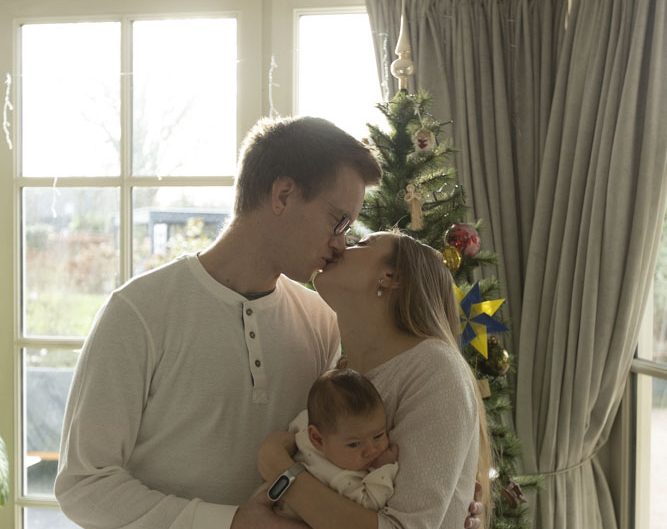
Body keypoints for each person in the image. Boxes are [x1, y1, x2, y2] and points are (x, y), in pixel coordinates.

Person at [54, 115, 483, 529]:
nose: (340, 244)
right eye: (338, 221)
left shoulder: (325, 325)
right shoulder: (138, 312)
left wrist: (458, 501)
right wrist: (230, 523)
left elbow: (369, 465)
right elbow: (83, 484)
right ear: (283, 195)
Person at [258, 231, 493, 529]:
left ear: (391, 278)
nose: (341, 245)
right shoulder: (339, 369)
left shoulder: (435, 369)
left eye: (361, 243)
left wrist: (281, 470)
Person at [276, 368, 399, 519]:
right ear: (317, 439)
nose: (372, 450)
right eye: (354, 444)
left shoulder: (305, 427)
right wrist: (384, 468)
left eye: (378, 435)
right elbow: (369, 505)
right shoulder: (341, 479)